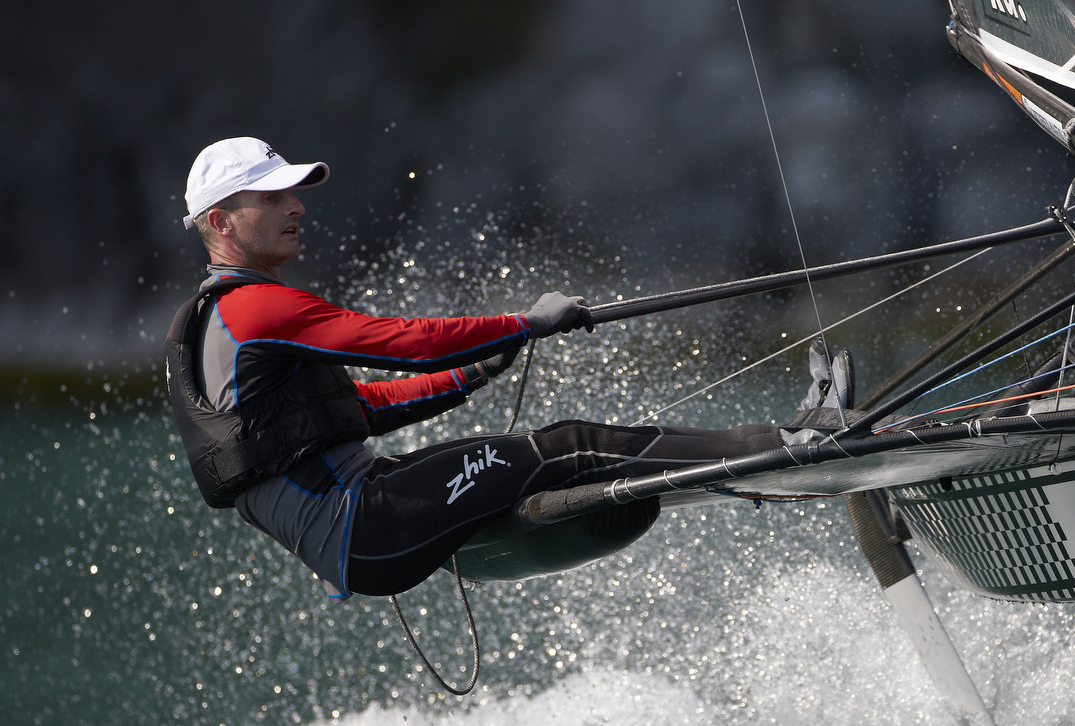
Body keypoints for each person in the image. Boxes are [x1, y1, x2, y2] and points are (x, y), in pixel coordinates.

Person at [167, 137, 850, 599]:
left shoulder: (220, 320)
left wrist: (482, 367)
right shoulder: (253, 310)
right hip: (364, 524)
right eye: (273, 198)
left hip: (361, 529)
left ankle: (773, 455)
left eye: (293, 193)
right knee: (575, 445)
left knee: (568, 449)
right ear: (222, 222)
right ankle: (794, 447)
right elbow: (401, 341)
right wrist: (526, 323)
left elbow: (369, 407)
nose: (296, 206)